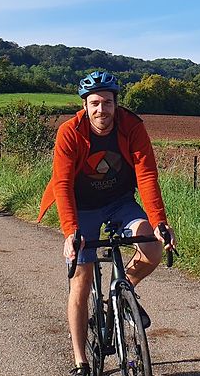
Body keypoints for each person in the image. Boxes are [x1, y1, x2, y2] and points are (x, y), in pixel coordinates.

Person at [37, 70, 177, 376]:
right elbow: (62, 184)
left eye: (108, 102)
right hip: (82, 206)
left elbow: (147, 175)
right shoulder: (70, 132)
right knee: (81, 279)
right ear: (85, 105)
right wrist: (70, 232)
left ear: (116, 103)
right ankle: (81, 362)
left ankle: (121, 294)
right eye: (95, 103)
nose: (102, 109)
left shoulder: (132, 126)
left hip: (120, 202)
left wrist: (159, 222)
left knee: (151, 248)